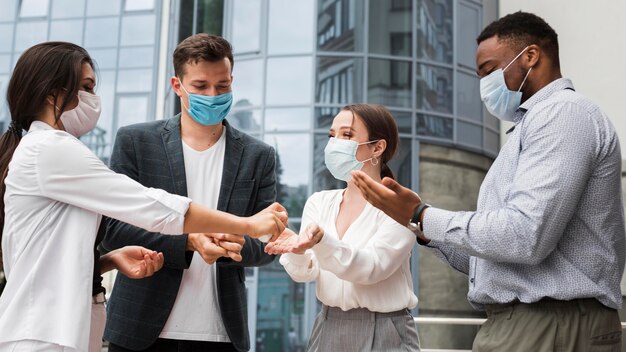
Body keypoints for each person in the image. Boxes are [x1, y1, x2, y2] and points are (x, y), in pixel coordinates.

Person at [352, 11, 624, 352]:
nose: (483, 85)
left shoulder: (563, 114)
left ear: (530, 56)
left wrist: (423, 214)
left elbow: (525, 236)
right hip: (527, 323)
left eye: (489, 70)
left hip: (553, 324)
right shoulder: (530, 127)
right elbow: (494, 257)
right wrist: (417, 224)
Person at [0, 42, 287, 352]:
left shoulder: (48, 149)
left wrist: (108, 260)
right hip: (47, 332)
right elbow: (148, 205)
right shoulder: (52, 149)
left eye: (222, 85)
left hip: (59, 329)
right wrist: (247, 225)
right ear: (51, 91)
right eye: (85, 87)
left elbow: (49, 254)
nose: (93, 98)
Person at [102, 34, 277, 352]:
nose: (213, 95)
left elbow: (268, 244)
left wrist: (237, 245)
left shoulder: (259, 155)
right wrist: (188, 243)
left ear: (231, 81)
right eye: (201, 86)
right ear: (177, 85)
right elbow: (113, 230)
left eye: (222, 86)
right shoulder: (136, 142)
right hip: (140, 329)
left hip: (221, 332)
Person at [266, 104, 420, 351]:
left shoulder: (400, 206)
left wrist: (321, 242)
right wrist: (296, 249)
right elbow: (305, 272)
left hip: (386, 330)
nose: (334, 143)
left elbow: (370, 268)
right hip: (328, 325)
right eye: (332, 135)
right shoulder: (319, 202)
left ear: (377, 147)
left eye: (346, 135)